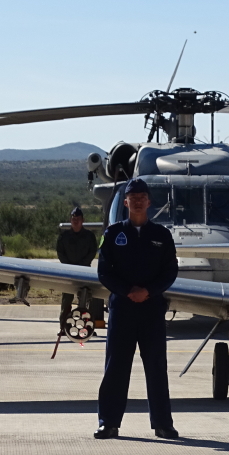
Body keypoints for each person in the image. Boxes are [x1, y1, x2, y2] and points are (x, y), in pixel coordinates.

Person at [94, 179, 179, 440]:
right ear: (126, 202)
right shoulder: (112, 234)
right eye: (133, 197)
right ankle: (108, 422)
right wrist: (127, 291)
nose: (139, 201)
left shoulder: (162, 236)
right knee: (116, 366)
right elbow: (103, 272)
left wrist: (149, 291)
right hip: (123, 308)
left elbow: (170, 271)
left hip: (152, 308)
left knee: (156, 366)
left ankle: (163, 424)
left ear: (149, 202)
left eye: (143, 196)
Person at [56, 206, 99, 333]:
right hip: (68, 272)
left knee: (86, 301)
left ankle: (88, 327)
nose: (75, 221)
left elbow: (92, 251)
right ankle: (63, 327)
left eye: (78, 219)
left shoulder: (89, 236)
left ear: (83, 220)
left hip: (84, 272)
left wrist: (82, 265)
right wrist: (68, 266)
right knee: (66, 301)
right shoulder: (64, 236)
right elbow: (60, 252)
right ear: (70, 220)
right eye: (73, 219)